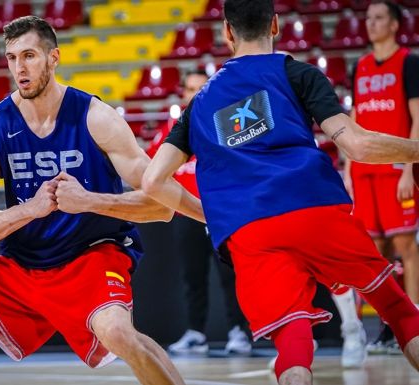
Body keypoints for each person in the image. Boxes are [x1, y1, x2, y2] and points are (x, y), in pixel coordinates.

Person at [141, 1, 419, 384]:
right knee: (399, 311)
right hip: (313, 208)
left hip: (250, 231)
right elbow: (357, 145)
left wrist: (215, 214)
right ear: (275, 25)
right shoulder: (296, 73)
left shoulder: (199, 103)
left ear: (226, 31)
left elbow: (152, 180)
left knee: (292, 345)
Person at [0, 16, 186, 385]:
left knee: (118, 333)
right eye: (12, 58)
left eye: (29, 56)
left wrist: (89, 200)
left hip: (91, 255)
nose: (20, 68)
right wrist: (30, 209)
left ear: (53, 58)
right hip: (24, 263)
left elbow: (162, 205)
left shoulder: (95, 117)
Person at [147, 70, 251, 355]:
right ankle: (195, 333)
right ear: (182, 94)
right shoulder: (171, 126)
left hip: (219, 213)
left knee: (229, 275)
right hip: (185, 214)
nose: (193, 93)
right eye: (189, 88)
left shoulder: (223, 121)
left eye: (199, 88)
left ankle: (238, 332)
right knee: (192, 277)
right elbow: (152, 165)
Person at [344, 0, 419, 355]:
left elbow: (418, 117)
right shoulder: (358, 66)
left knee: (405, 245)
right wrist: (347, 170)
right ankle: (383, 329)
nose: (371, 24)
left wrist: (409, 167)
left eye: (378, 18)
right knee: (375, 252)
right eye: (368, 18)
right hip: (364, 171)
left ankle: (414, 323)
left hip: (395, 171)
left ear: (394, 24)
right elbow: (354, 119)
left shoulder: (410, 62)